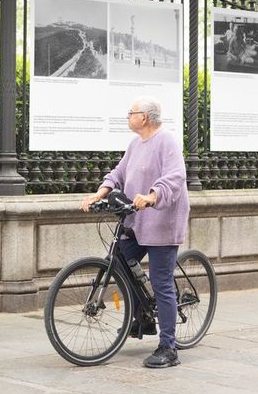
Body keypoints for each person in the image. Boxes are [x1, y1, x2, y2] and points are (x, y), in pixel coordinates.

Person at [80, 97, 189, 369]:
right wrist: (100, 193)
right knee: (120, 264)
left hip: (162, 222)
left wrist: (152, 195)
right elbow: (119, 172)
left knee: (161, 281)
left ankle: (168, 348)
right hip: (137, 221)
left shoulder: (167, 140)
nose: (128, 116)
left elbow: (175, 177)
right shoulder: (135, 143)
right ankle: (143, 318)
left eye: (132, 112)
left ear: (145, 117)